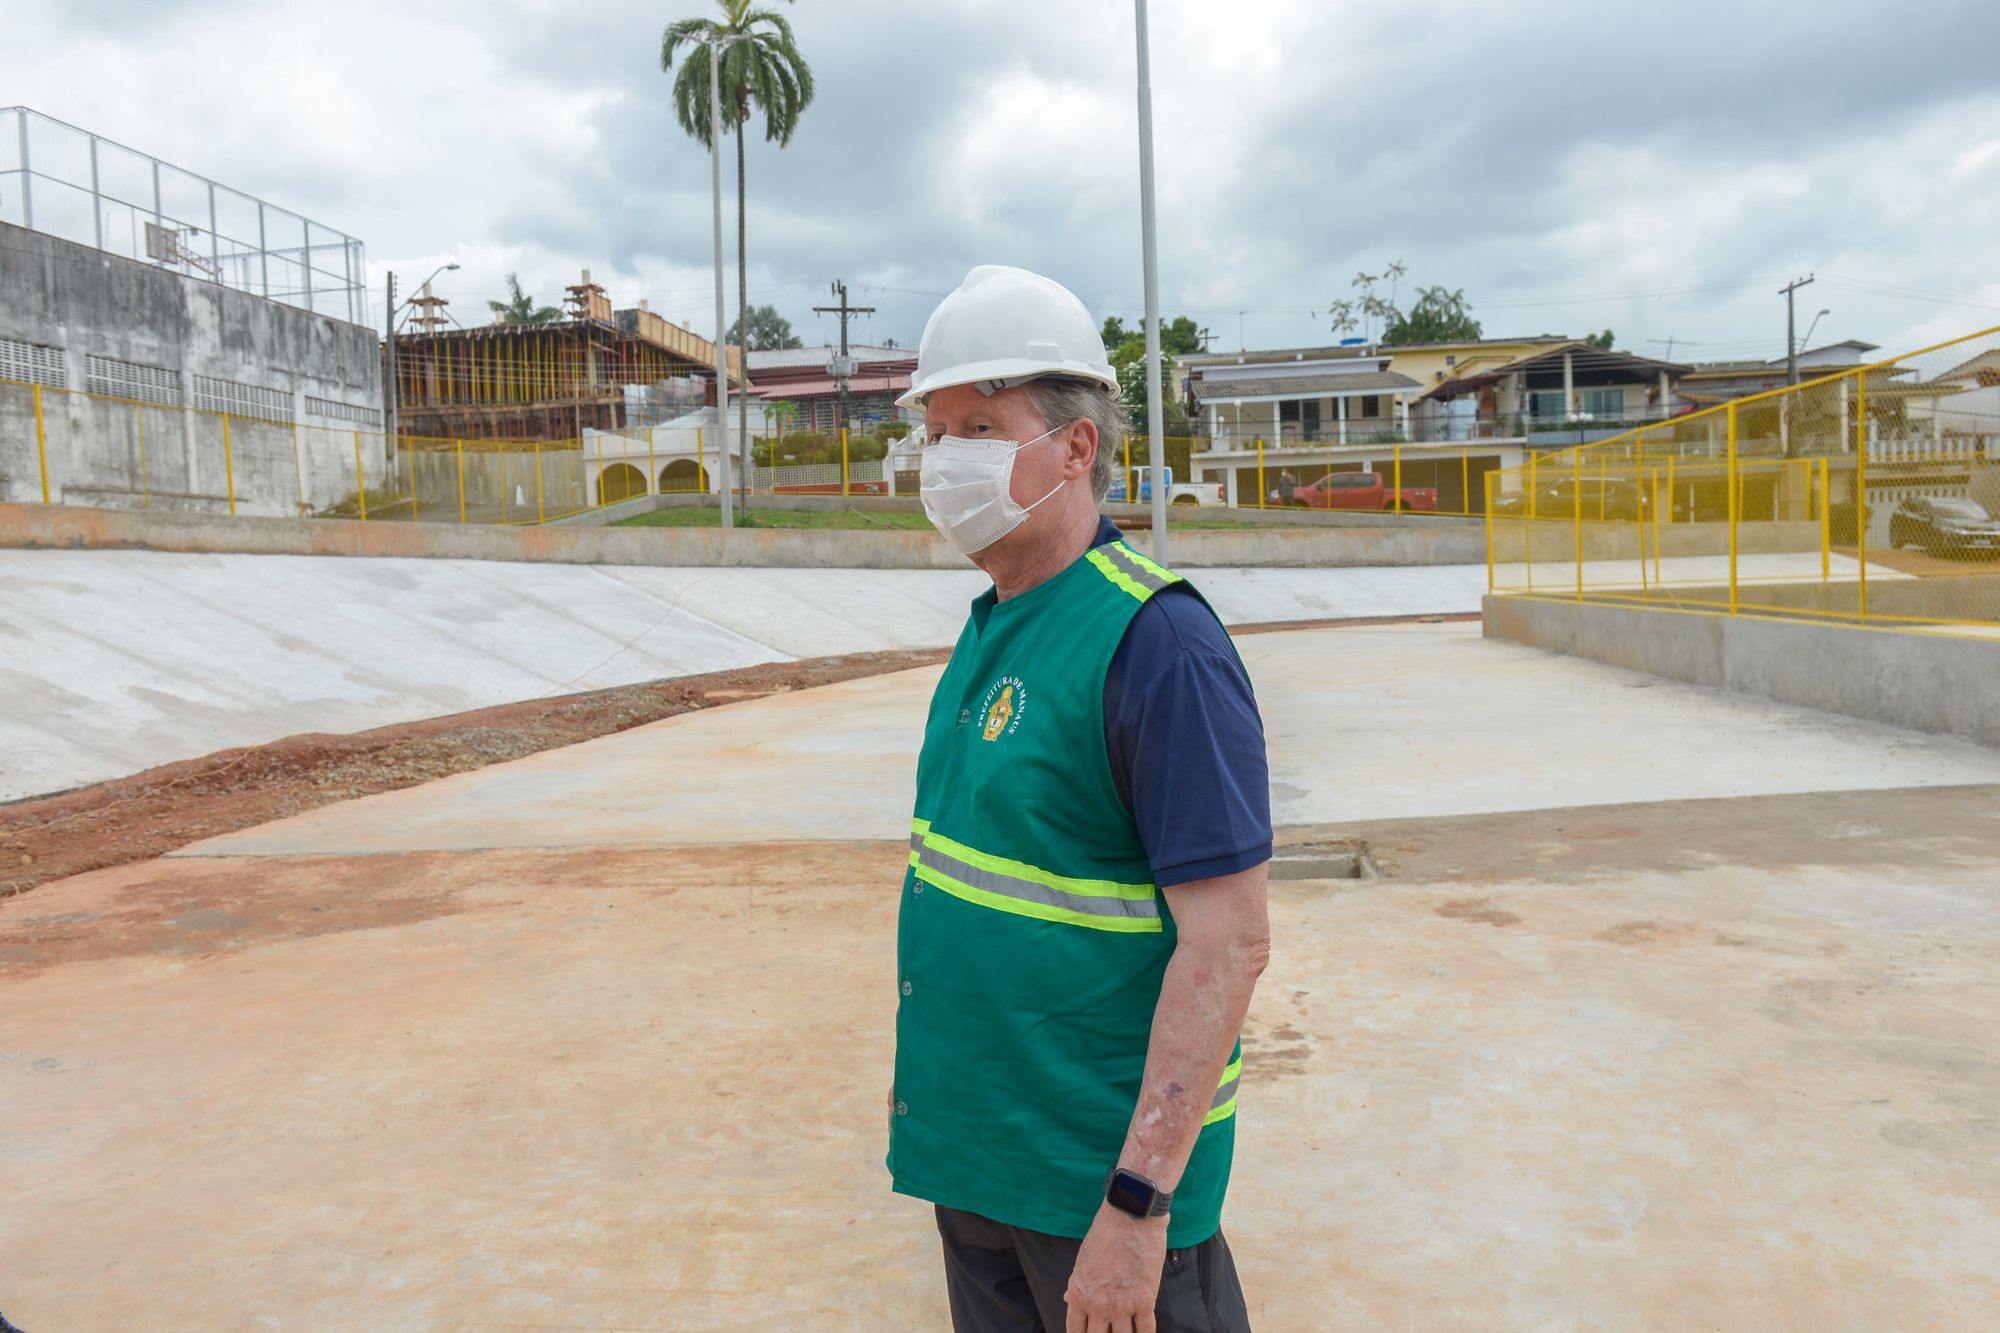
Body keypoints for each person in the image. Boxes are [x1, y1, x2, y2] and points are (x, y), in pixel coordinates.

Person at [889, 265, 1272, 1333]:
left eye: (979, 427)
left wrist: (1137, 1203)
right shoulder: (993, 625)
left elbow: (1228, 944)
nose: (945, 457)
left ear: (1075, 446)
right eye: (935, 431)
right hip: (979, 1164)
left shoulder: (1158, 645)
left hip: (1097, 1191)